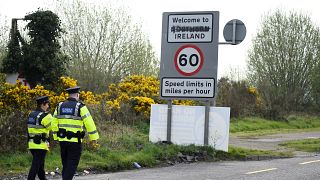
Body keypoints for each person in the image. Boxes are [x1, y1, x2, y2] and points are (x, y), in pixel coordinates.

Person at [52, 86, 99, 180]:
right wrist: (93, 138)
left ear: (69, 95)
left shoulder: (59, 106)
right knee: (72, 164)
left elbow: (54, 123)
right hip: (75, 142)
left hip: (62, 141)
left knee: (65, 164)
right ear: (77, 95)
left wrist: (55, 137)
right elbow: (89, 123)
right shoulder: (80, 107)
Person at [27, 96, 52, 180]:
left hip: (31, 144)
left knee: (40, 165)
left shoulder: (31, 114)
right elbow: (52, 127)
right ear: (43, 104)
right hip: (41, 145)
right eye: (48, 104)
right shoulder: (46, 116)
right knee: (35, 166)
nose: (48, 106)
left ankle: (43, 178)